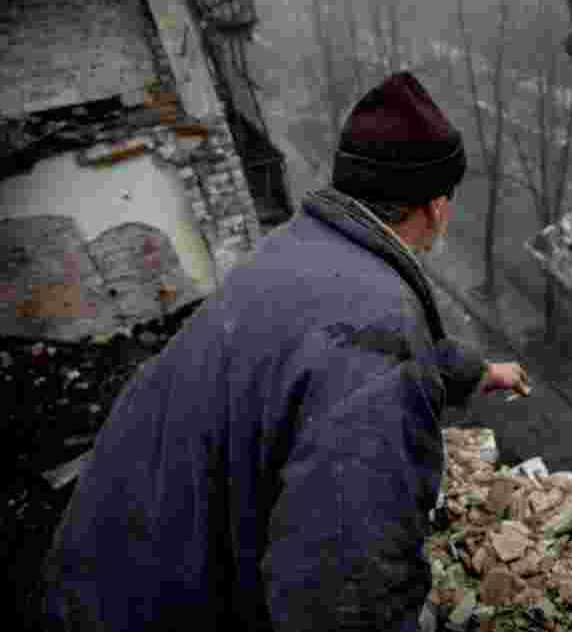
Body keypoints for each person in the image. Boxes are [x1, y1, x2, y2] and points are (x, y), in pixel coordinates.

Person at [40, 71, 531, 632]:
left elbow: (338, 351)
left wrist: (474, 373)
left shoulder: (295, 250)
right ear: (438, 206)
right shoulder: (378, 327)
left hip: (101, 568)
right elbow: (345, 598)